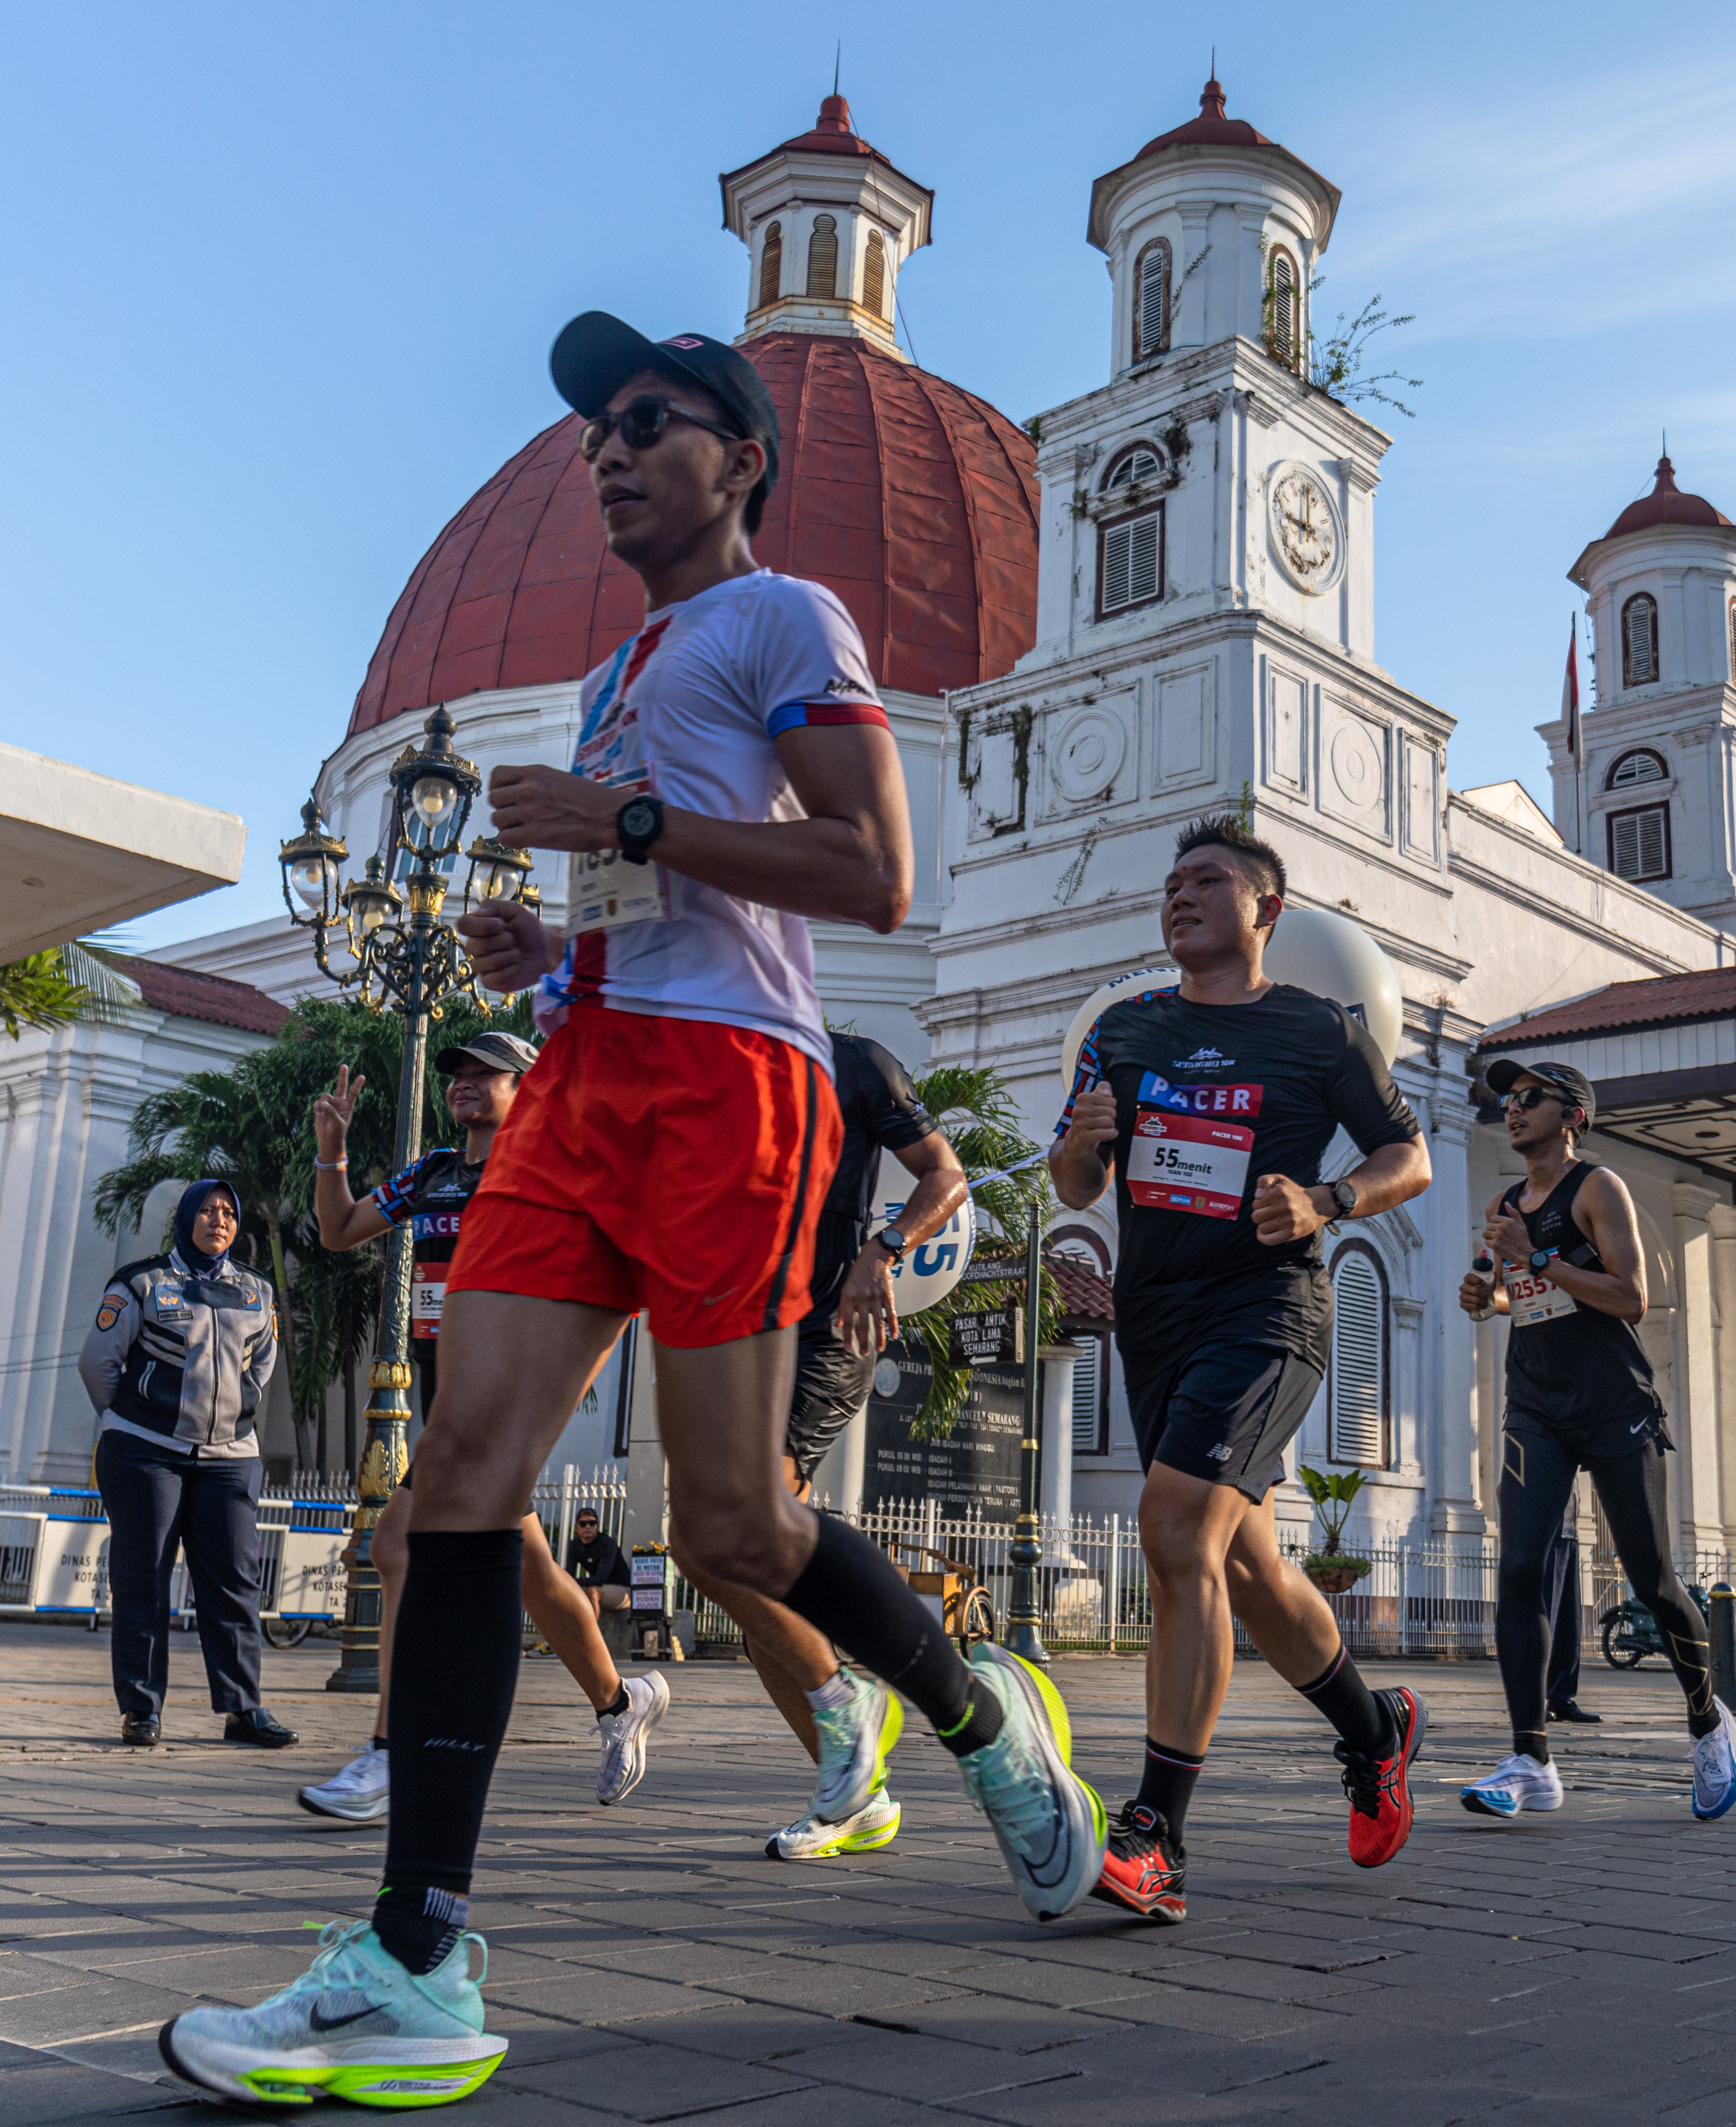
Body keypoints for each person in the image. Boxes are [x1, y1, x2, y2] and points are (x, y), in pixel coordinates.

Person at [160, 321, 1099, 2112]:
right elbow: (645, 897)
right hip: (584, 1079)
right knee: (459, 1475)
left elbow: (872, 870)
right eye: (595, 427)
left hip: (732, 1086)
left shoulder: (787, 617)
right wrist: (551, 946)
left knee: (735, 1519)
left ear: (738, 460)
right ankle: (418, 1958)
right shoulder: (618, 666)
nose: (605, 448)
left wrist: (634, 820)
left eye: (645, 421)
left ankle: (983, 1728)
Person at [1053, 816, 1433, 1924]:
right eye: (1172, 883)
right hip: (1155, 1319)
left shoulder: (1315, 1029)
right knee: (1251, 1568)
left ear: (1267, 910)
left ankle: (1157, 1835)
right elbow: (1077, 1183)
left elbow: (1405, 1154)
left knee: (1174, 1531)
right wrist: (1081, 1139)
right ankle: (1374, 1730)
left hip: (1268, 1311)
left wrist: (1326, 1199)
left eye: (1208, 880)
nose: (1180, 896)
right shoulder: (1123, 1028)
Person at [297, 1034, 663, 1824]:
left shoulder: (548, 1171)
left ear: (529, 1089)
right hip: (447, 1391)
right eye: (457, 1073)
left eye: (484, 1073)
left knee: (397, 1544)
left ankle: (392, 1752)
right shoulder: (433, 1172)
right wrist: (332, 1153)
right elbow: (339, 1230)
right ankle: (619, 1700)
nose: (463, 1083)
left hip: (503, 1395)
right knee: (528, 1567)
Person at [1449, 1058, 1736, 1823]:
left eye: (1529, 1097)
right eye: (1506, 1099)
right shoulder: (1504, 1203)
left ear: (1572, 1114)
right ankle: (1531, 1759)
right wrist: (1488, 1295)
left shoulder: (1597, 1188)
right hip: (1535, 1404)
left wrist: (1536, 1256)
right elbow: (1518, 1294)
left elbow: (1631, 1298)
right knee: (1520, 1568)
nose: (1512, 1108)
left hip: (1614, 1406)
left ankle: (1707, 1722)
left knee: (1651, 1578)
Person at [703, 1028, 967, 1865]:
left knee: (732, 1536)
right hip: (742, 1332)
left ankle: (859, 1698)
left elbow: (945, 1174)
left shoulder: (855, 1063)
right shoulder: (706, 1068)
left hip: (828, 1329)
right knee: (759, 1595)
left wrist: (884, 1250)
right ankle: (856, 1793)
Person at [76, 1180, 293, 1751]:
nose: (219, 1219)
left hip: (229, 1458)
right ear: (186, 1217)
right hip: (145, 1451)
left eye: (228, 1212)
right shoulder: (141, 1283)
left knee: (234, 1583)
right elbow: (98, 1363)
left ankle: (243, 1709)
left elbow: (261, 1366)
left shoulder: (256, 1291)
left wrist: (232, 1417)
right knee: (143, 1578)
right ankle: (140, 1709)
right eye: (208, 1210)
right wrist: (132, 1417)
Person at [1543, 1515, 1597, 1724]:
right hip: (1546, 1534)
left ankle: (1561, 1699)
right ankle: (1533, 1701)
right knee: (1546, 1621)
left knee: (1569, 1625)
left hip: (1569, 1534)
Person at [563, 1507, 632, 1622]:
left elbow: (600, 1579)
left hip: (622, 1589)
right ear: (576, 1528)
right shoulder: (574, 1545)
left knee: (592, 1592)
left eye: (592, 1523)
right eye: (583, 1524)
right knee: (563, 1592)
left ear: (597, 1526)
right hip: (600, 1587)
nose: (588, 1527)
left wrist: (574, 1582)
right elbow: (569, 1574)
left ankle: (591, 1631)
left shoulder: (607, 1544)